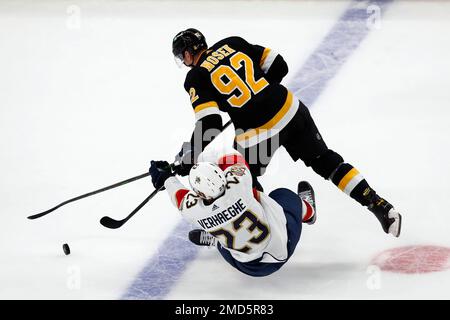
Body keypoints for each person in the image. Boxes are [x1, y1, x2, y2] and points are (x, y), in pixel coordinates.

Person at [168, 28, 402, 237]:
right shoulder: (233, 42)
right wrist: (260, 93)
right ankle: (379, 205)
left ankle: (242, 235)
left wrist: (190, 156)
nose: (184, 62)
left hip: (258, 135)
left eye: (182, 56)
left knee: (242, 185)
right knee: (327, 162)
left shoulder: (195, 77)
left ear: (188, 53)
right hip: (291, 110)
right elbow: (279, 65)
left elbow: (209, 123)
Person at [149, 151, 317, 277]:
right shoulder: (239, 184)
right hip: (280, 251)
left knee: (224, 238)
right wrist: (196, 158)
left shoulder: (193, 211)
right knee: (283, 195)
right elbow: (230, 156)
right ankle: (309, 212)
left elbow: (178, 194)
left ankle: (216, 240)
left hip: (246, 266)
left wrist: (165, 177)